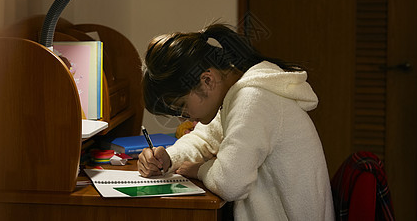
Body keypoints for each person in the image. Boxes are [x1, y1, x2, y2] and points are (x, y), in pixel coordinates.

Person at [137, 23, 335, 221]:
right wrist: (169, 158)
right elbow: (204, 139)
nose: (182, 117)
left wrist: (199, 169)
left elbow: (231, 184)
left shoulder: (254, 99)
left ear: (207, 80)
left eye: (181, 106)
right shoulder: (238, 95)